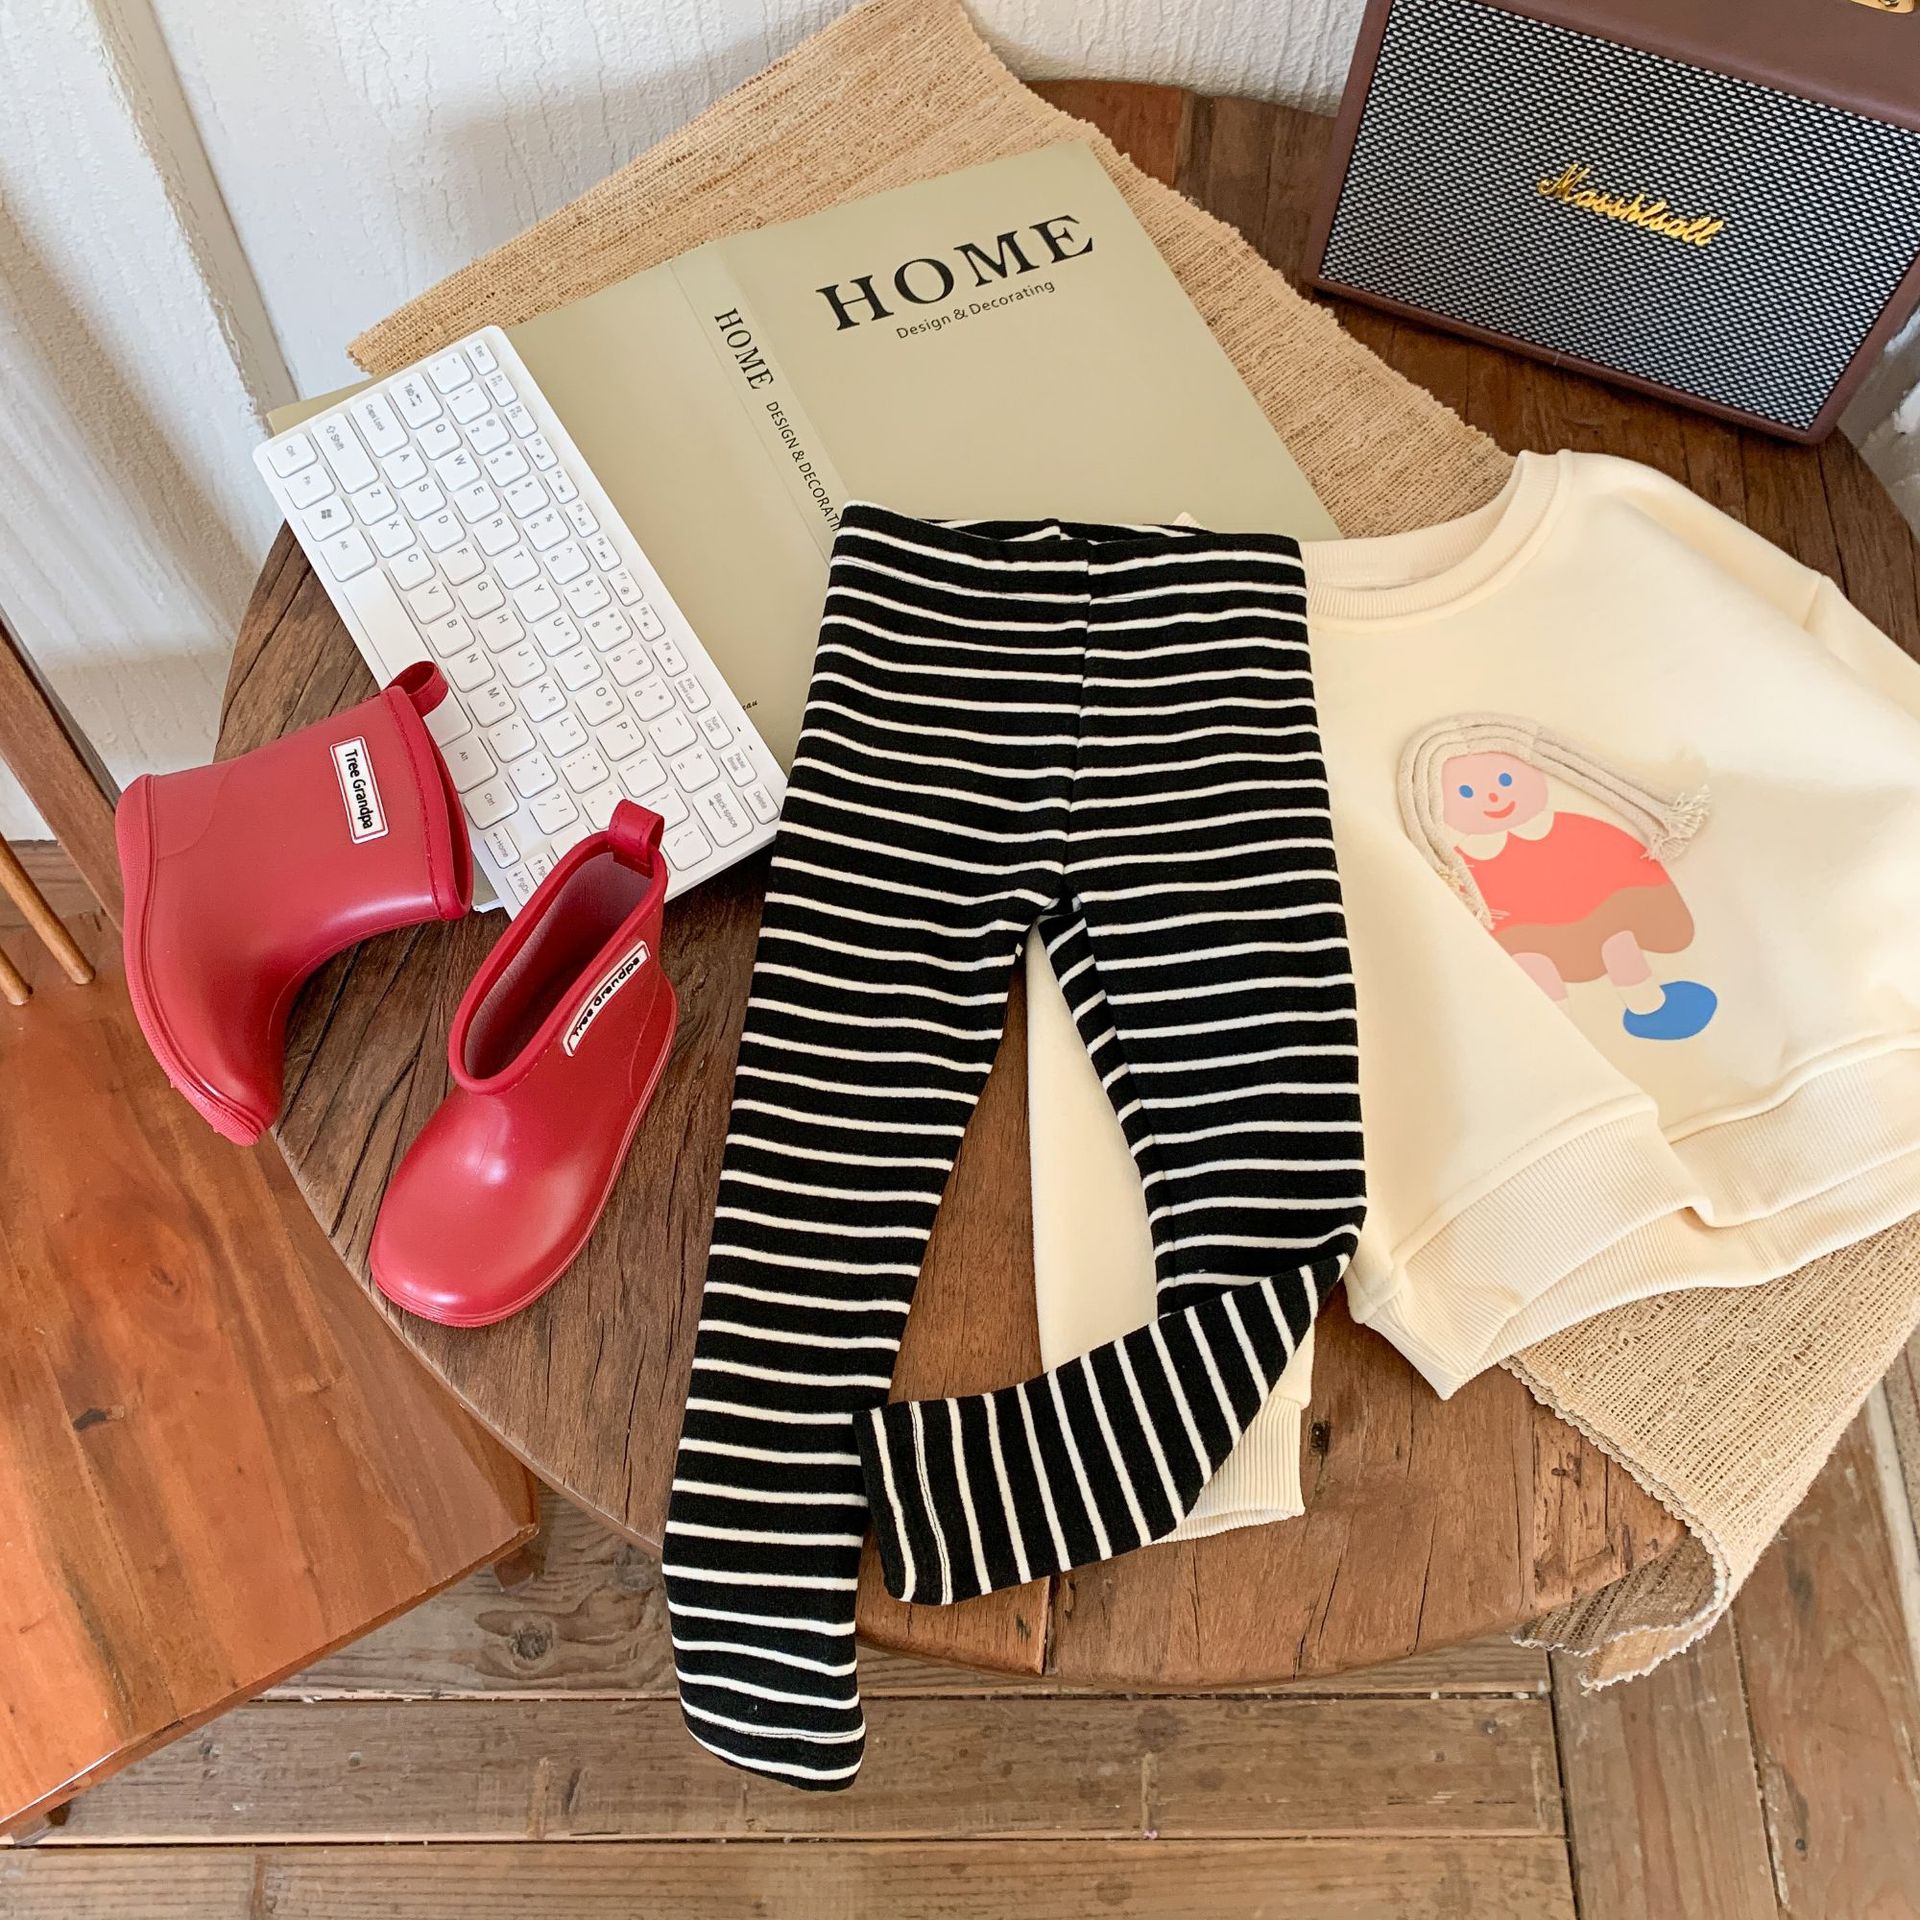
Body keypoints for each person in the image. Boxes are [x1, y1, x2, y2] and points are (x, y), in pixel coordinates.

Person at [1398, 714, 1717, 1041]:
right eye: (1466, 792)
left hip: (1599, 912)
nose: (1494, 798)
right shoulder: (1462, 865)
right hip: (1525, 932)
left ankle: (1647, 1004)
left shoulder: (1572, 831)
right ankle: (1559, 1034)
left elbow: (1613, 855)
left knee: (1618, 941)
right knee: (1534, 965)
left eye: (1505, 781)